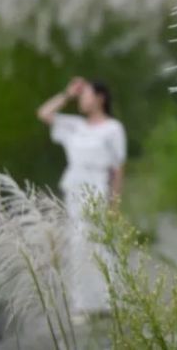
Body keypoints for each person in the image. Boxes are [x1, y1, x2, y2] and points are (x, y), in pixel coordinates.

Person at [36, 76, 126, 318]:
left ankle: (109, 301)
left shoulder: (113, 128)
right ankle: (84, 304)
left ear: (100, 98)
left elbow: (117, 169)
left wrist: (114, 204)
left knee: (100, 241)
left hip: (98, 187)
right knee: (77, 243)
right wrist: (68, 93)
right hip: (75, 186)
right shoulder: (75, 125)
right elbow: (44, 113)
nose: (82, 99)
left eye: (86, 94)